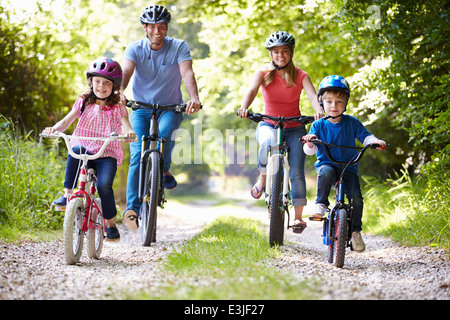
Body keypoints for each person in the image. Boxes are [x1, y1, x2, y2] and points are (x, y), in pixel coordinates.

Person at [121, 4, 201, 230]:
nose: (157, 32)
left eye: (162, 27)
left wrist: (193, 97)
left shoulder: (179, 47)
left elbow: (187, 72)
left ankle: (162, 168)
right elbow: (126, 71)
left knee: (165, 136)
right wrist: (120, 92)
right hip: (141, 108)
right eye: (153, 27)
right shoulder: (135, 48)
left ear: (167, 28)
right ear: (145, 28)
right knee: (137, 153)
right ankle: (132, 210)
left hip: (170, 107)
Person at [42, 57, 137, 242]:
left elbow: (126, 125)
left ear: (114, 86)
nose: (101, 86)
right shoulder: (84, 101)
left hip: (106, 152)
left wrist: (130, 132)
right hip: (84, 148)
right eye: (97, 81)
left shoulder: (118, 105)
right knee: (75, 149)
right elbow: (66, 121)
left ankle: (109, 223)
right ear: (91, 82)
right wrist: (53, 129)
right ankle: (68, 195)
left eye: (107, 83)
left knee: (103, 185)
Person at [238, 31, 323, 234]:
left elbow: (312, 95)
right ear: (271, 54)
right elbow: (251, 91)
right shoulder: (264, 72)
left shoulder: (301, 75)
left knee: (296, 172)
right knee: (267, 143)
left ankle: (298, 218)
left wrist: (318, 109)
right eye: (275, 52)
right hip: (269, 124)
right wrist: (244, 106)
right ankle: (263, 178)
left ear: (291, 53)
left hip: (295, 128)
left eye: (284, 51)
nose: (280, 55)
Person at [302, 75, 387, 252]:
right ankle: (321, 204)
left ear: (346, 102)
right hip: (328, 164)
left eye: (339, 101)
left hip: (348, 167)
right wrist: (311, 141)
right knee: (325, 173)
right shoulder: (318, 125)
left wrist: (374, 141)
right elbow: (310, 150)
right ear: (321, 102)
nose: (334, 106)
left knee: (356, 198)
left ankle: (356, 231)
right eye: (329, 101)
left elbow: (365, 136)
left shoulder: (352, 122)